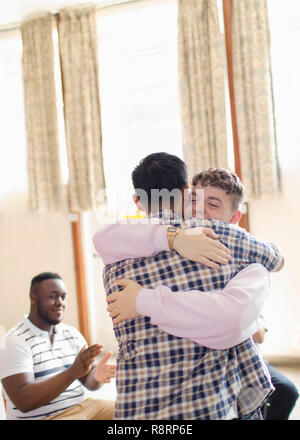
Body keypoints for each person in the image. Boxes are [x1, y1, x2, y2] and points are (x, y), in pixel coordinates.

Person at [93, 154, 283, 420]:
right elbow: (276, 257)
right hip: (206, 405)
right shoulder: (221, 236)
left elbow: (101, 238)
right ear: (186, 192)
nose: (203, 211)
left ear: (137, 201)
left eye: (212, 204)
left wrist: (143, 300)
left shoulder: (115, 249)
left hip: (136, 407)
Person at [0, 272, 116, 420]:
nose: (60, 302)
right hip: (48, 417)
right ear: (33, 298)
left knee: (133, 411)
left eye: (63, 297)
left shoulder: (71, 333)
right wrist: (72, 372)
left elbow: (88, 380)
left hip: (85, 406)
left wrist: (97, 376)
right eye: (53, 296)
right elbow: (24, 401)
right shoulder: (13, 341)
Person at [253, 318, 299, 420]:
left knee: (288, 391)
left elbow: (259, 336)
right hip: (226, 363)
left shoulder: (251, 306)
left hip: (255, 362)